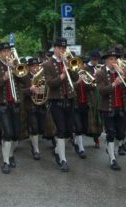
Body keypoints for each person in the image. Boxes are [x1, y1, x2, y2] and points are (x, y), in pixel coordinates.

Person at [43, 37, 79, 172]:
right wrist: (62, 76)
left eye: (64, 48)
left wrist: (70, 67)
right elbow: (50, 84)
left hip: (69, 99)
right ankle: (63, 160)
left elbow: (75, 78)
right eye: (61, 48)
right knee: (61, 130)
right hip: (55, 101)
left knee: (69, 130)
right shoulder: (47, 64)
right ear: (55, 48)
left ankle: (58, 151)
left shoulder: (68, 62)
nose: (63, 51)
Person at [0, 42, 23, 174]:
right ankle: (6, 162)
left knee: (15, 134)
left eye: (8, 51)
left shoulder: (15, 65)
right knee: (7, 133)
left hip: (15, 103)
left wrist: (15, 69)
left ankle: (11, 154)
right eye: (4, 51)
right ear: (0, 53)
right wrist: (4, 77)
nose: (6, 54)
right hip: (1, 104)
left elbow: (25, 81)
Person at [96, 48, 126, 171]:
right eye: (111, 59)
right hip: (107, 108)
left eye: (115, 59)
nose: (114, 61)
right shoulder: (100, 73)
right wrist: (114, 84)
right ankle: (112, 158)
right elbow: (101, 91)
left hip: (121, 107)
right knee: (110, 133)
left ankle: (111, 149)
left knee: (121, 134)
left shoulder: (121, 72)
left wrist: (124, 76)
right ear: (106, 61)